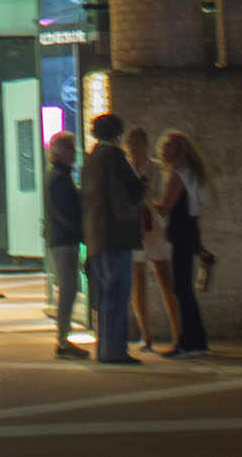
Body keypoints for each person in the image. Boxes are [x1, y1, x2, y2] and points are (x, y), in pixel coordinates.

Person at [82, 111, 148, 364]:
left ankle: (104, 348)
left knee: (106, 295)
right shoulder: (115, 158)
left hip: (95, 237)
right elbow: (131, 190)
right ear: (118, 134)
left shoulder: (91, 159)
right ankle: (114, 350)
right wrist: (142, 184)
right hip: (116, 235)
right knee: (118, 295)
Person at [153, 129, 215, 357]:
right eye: (164, 146)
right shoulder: (192, 174)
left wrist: (146, 201)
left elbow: (165, 207)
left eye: (168, 147)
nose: (163, 150)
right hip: (190, 232)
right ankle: (197, 341)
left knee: (181, 288)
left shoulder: (178, 175)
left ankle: (188, 343)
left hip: (180, 233)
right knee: (184, 288)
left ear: (179, 151)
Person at [40, 130, 89, 358]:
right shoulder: (60, 178)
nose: (74, 153)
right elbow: (64, 212)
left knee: (69, 289)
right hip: (63, 241)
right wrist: (80, 231)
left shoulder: (59, 175)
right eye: (70, 148)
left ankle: (64, 338)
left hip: (61, 240)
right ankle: (63, 340)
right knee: (68, 289)